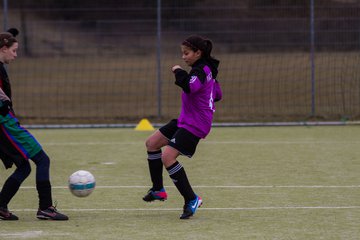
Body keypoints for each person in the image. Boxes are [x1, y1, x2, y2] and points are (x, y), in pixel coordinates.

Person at [143, 35, 222, 219]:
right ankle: (158, 190)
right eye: (182, 54)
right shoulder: (206, 70)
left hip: (196, 123)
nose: (183, 57)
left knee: (167, 156)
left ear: (198, 53)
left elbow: (190, 87)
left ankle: (191, 199)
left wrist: (178, 71)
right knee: (152, 143)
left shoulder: (201, 70)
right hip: (185, 119)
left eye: (186, 53)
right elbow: (218, 95)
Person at [0, 28, 68, 221]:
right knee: (42, 160)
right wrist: (4, 105)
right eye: (13, 50)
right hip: (5, 125)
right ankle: (45, 207)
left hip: (6, 123)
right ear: (3, 48)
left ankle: (1, 204)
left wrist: (8, 33)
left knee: (24, 167)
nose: (15, 55)